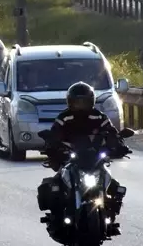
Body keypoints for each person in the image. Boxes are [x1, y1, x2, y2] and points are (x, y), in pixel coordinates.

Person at [38, 82, 129, 237]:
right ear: (70, 102)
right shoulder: (64, 118)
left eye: (84, 102)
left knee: (116, 187)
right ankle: (57, 218)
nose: (80, 106)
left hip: (94, 159)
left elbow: (111, 132)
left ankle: (110, 215)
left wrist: (118, 144)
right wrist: (52, 145)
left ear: (91, 101)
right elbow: (54, 134)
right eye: (77, 102)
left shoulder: (99, 117)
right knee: (55, 186)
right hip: (73, 159)